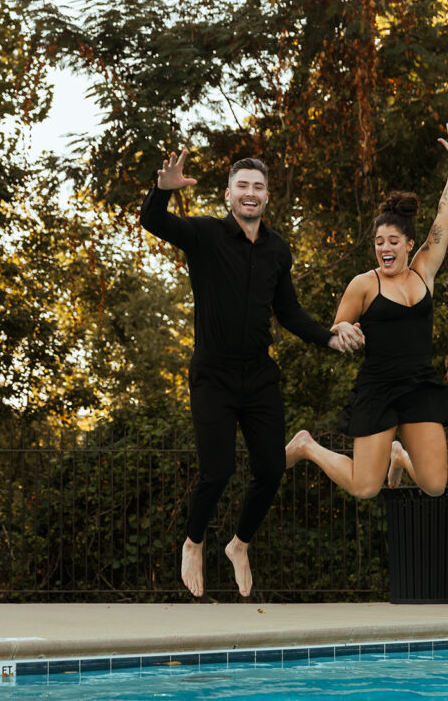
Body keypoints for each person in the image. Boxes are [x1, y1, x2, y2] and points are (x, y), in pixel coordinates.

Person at [140, 152, 363, 598]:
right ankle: (194, 541)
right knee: (217, 471)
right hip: (213, 376)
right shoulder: (205, 234)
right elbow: (153, 221)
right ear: (228, 194)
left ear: (267, 196)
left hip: (259, 376)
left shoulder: (278, 250)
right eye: (242, 185)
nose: (250, 193)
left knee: (271, 469)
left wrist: (328, 337)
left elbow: (289, 312)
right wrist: (162, 189)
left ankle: (239, 545)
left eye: (258, 187)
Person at [286, 123, 448, 498]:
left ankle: (400, 456)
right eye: (378, 242)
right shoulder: (364, 283)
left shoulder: (424, 271)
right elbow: (338, 322)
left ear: (409, 244)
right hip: (379, 387)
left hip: (420, 385)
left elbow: (444, 215)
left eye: (392, 241)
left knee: (436, 487)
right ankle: (306, 445)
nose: (384, 248)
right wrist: (344, 330)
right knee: (365, 487)